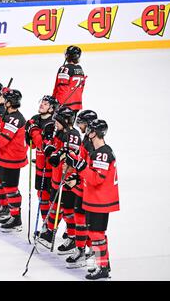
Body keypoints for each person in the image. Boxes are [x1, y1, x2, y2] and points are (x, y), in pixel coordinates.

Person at [65, 119, 119, 280]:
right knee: (97, 234)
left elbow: (96, 179)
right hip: (95, 199)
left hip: (100, 201)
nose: (86, 132)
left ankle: (102, 268)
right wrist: (77, 176)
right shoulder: (98, 152)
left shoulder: (102, 153)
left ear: (95, 133)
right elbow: (90, 176)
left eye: (89, 129)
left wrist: (80, 166)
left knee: (96, 235)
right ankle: (103, 264)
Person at [38, 106, 82, 253]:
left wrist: (59, 155)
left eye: (58, 120)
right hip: (57, 178)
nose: (55, 123)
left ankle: (72, 237)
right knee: (54, 206)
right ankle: (50, 232)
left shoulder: (73, 135)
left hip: (68, 180)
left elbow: (70, 155)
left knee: (68, 211)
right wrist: (49, 148)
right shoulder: (60, 133)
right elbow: (54, 151)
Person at [0, 89, 28, 232]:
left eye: (5, 100)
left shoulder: (15, 119)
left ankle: (16, 218)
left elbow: (3, 140)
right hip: (2, 156)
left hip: (12, 158)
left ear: (10, 103)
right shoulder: (8, 114)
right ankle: (5, 208)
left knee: (11, 189)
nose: (3, 102)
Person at [64, 109, 98, 269]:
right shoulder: (86, 139)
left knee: (87, 222)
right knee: (79, 217)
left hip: (88, 188)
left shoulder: (94, 144)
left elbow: (91, 168)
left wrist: (78, 173)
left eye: (81, 122)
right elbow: (82, 160)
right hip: (81, 185)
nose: (79, 125)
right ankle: (81, 249)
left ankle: (89, 252)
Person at [25, 95, 58, 221]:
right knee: (41, 195)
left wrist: (33, 130)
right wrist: (27, 135)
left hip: (51, 167)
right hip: (40, 165)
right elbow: (31, 146)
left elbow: (43, 145)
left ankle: (60, 227)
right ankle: (45, 224)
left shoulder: (53, 124)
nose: (41, 104)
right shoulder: (35, 118)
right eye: (42, 102)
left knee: (52, 199)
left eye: (45, 103)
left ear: (51, 109)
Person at [52, 46, 86, 117]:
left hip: (64, 105)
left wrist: (56, 103)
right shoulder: (80, 69)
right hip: (77, 104)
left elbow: (61, 88)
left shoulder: (65, 69)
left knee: (59, 126)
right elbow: (81, 89)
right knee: (69, 126)